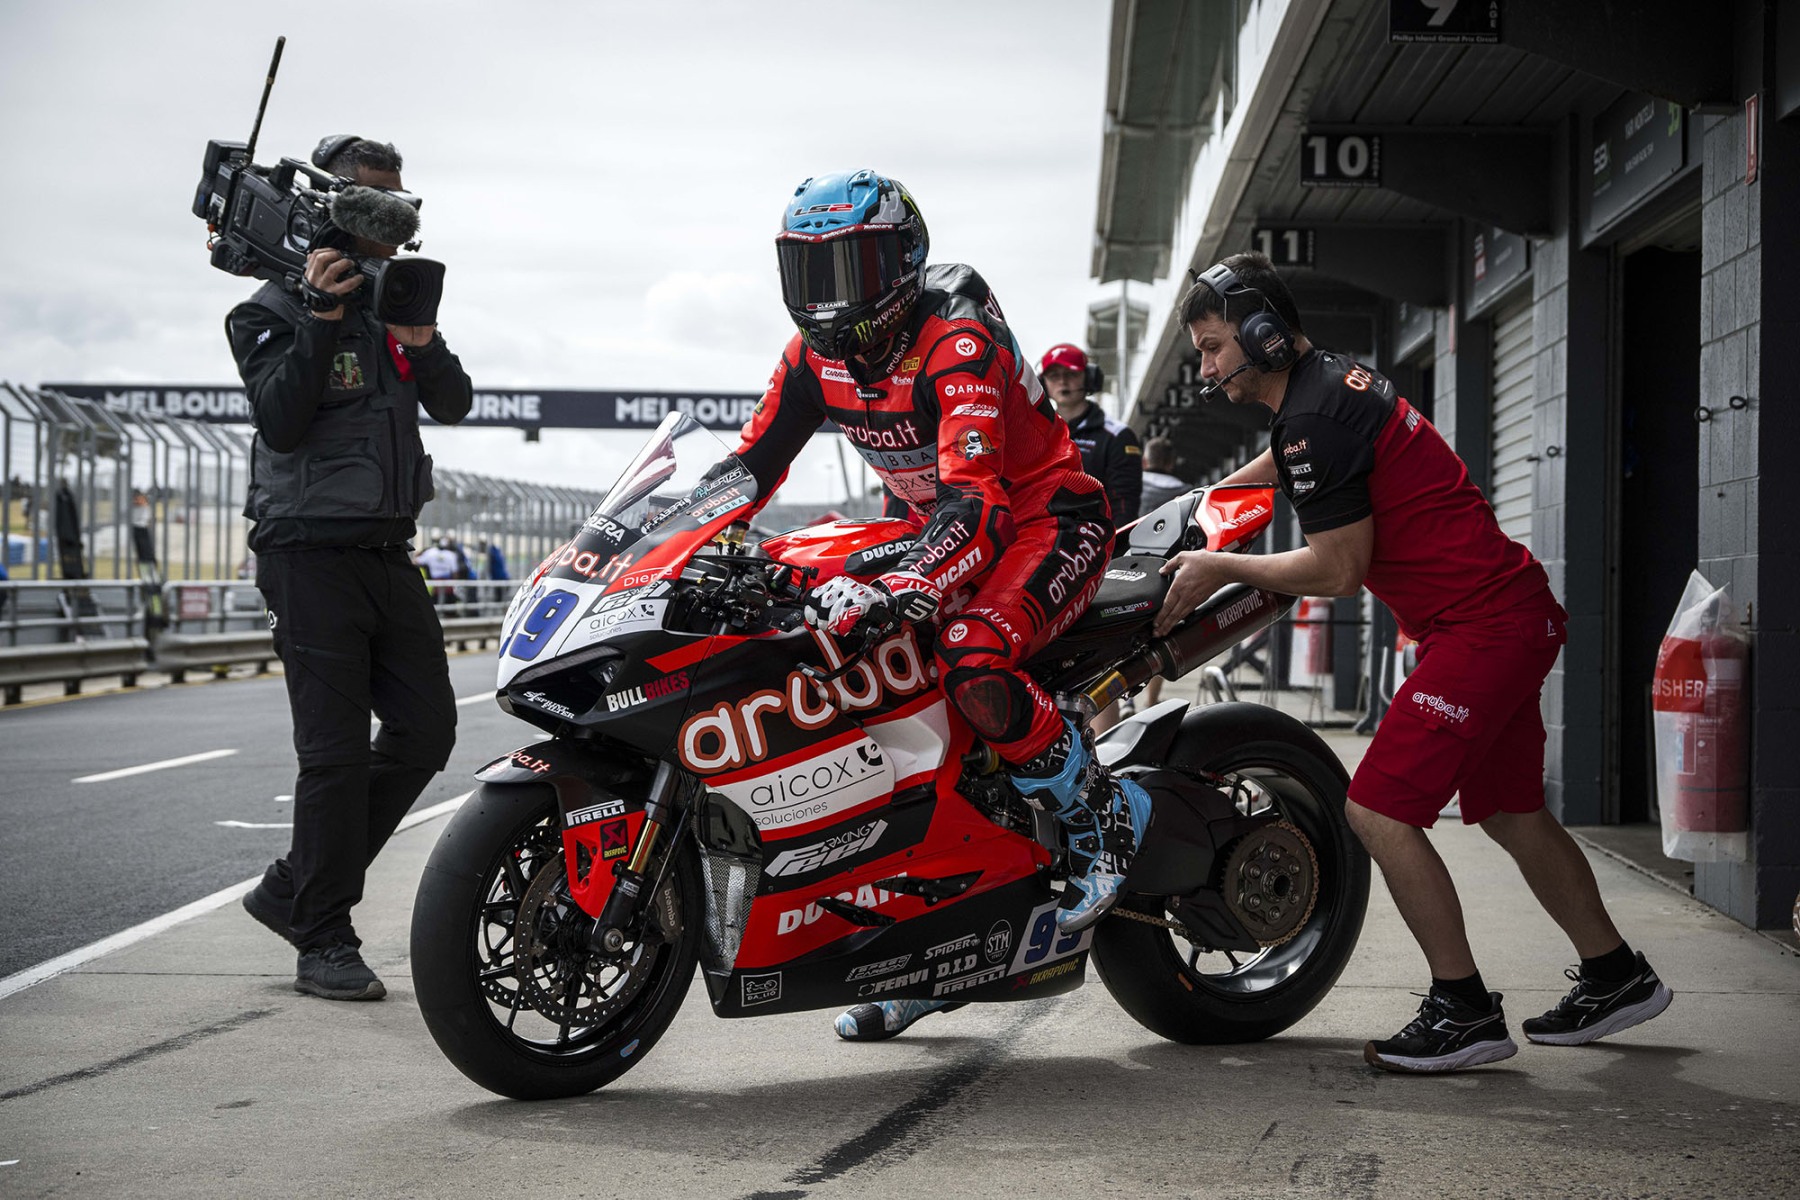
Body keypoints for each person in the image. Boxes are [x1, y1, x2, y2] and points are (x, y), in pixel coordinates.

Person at [1155, 252, 1672, 1073]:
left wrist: (1220, 566)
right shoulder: (1325, 390)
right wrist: (1199, 509)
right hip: (1505, 618)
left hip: (1483, 629)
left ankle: (1462, 1009)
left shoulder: (1314, 417)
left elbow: (1336, 570)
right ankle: (1617, 976)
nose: (1209, 367)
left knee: (1377, 809)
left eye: (1216, 346)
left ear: (1262, 336)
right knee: (1508, 812)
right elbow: (1290, 466)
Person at [731, 169, 1151, 1041]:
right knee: (840, 667)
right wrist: (656, 546)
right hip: (940, 526)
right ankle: (938, 941)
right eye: (811, 273)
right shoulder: (811, 357)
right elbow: (744, 470)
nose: (829, 298)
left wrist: (903, 585)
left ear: (904, 260)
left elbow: (980, 502)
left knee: (969, 653)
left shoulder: (956, 341)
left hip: (1043, 519)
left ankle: (1096, 812)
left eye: (851, 269)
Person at [228, 134, 472, 1002]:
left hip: (385, 552)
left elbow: (454, 402)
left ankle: (296, 886)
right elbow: (281, 421)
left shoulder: (397, 303)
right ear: (326, 205)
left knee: (427, 731)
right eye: (369, 202)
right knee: (330, 756)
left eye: (397, 206)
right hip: (305, 557)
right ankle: (322, 935)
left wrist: (424, 341)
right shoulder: (267, 309)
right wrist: (321, 320)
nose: (386, 223)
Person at [1040, 343, 1141, 731]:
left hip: (1098, 565)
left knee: (1095, 663)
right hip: (1045, 566)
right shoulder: (1034, 432)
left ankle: (1108, 758)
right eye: (1054, 375)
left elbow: (1125, 510)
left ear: (1089, 378)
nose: (1063, 382)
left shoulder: (1117, 436)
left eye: (1071, 373)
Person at [1136, 437, 1189, 708]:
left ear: (1145, 461)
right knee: (1159, 635)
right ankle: (1150, 701)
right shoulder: (1184, 492)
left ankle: (1120, 699)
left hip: (1126, 572)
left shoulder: (1132, 486)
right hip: (1164, 576)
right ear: (1170, 462)